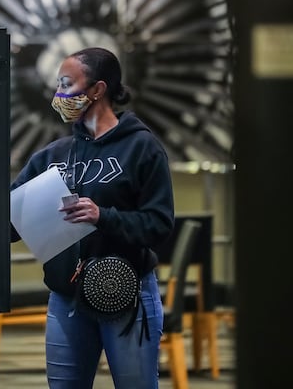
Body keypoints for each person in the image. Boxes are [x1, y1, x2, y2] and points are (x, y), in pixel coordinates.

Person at [10, 47, 175, 388]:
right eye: (58, 84)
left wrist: (104, 216)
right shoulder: (51, 157)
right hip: (65, 300)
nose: (58, 94)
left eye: (67, 84)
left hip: (127, 295)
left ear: (98, 89)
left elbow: (159, 225)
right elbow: (8, 221)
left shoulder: (142, 148)